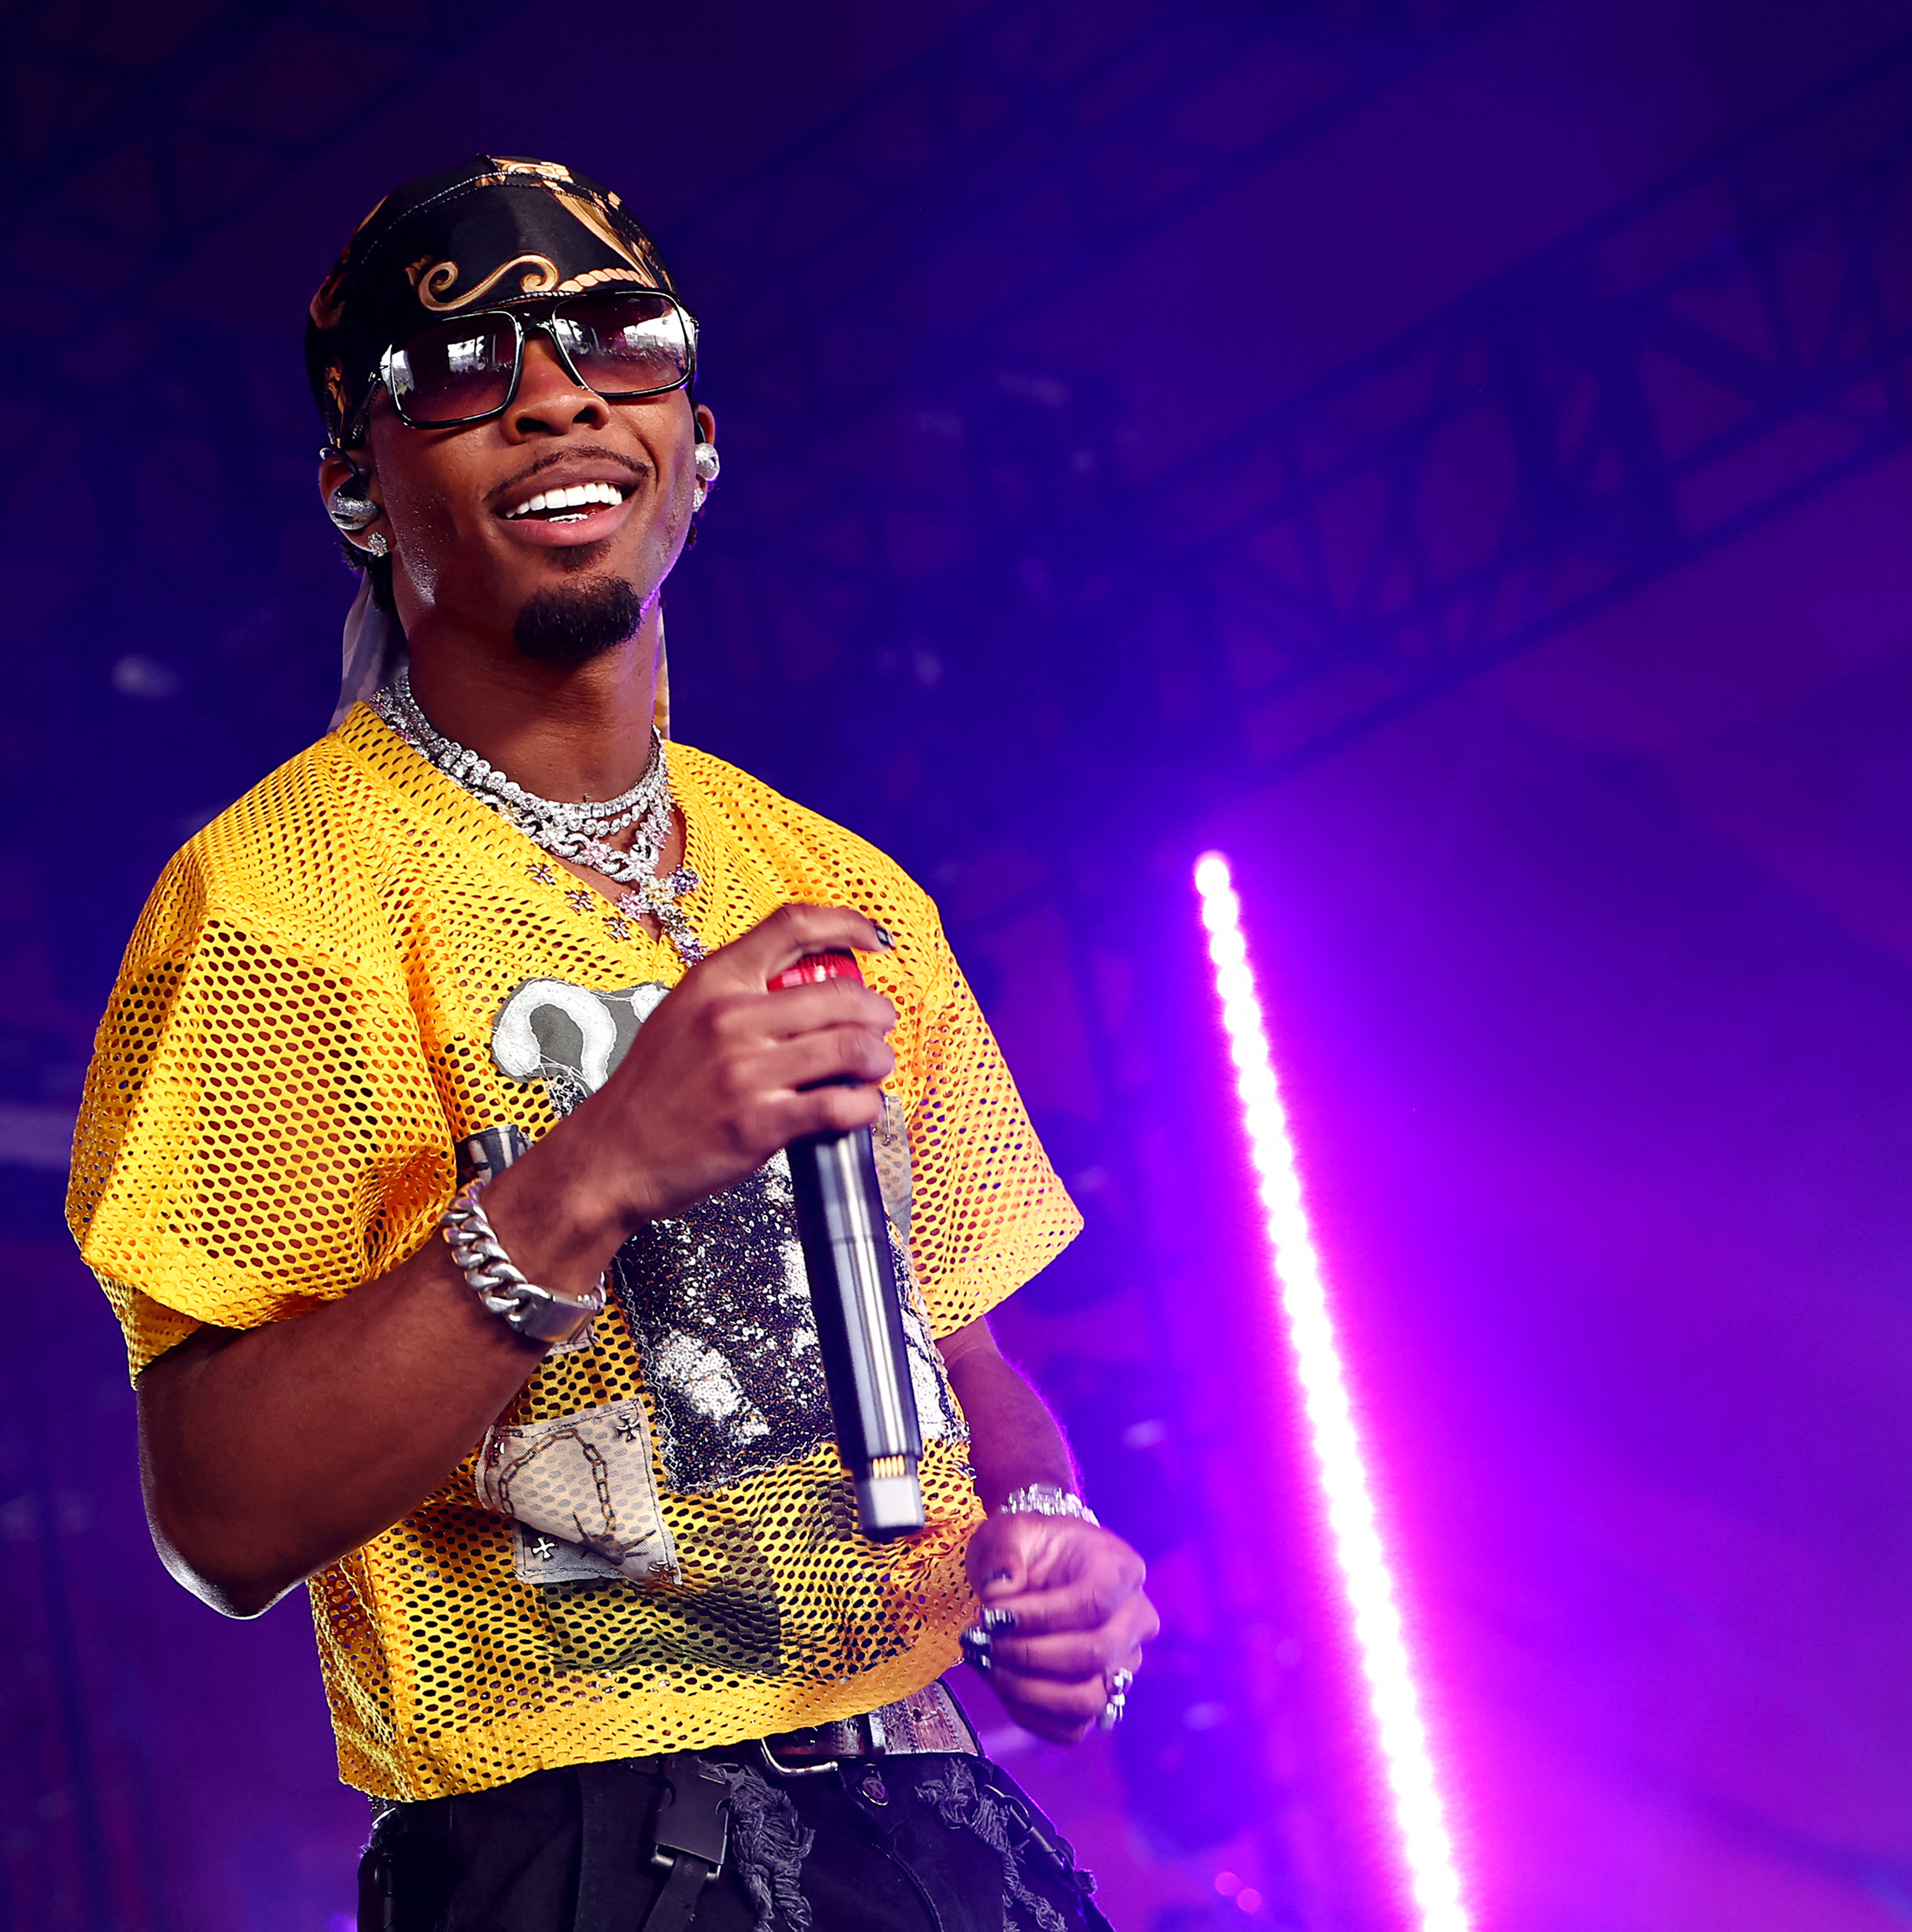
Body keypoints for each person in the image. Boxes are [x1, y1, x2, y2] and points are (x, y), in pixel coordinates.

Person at [69, 156, 1158, 1931]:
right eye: (467, 373)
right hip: (576, 1852)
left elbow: (951, 1325)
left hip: (932, 1809)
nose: (557, 395)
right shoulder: (278, 904)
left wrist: (1046, 1525)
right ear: (359, 483)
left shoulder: (830, 874)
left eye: (611, 345)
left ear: (694, 438)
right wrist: (596, 1173)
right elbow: (219, 1519)